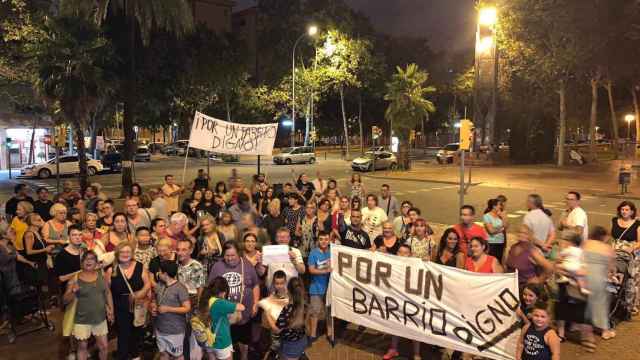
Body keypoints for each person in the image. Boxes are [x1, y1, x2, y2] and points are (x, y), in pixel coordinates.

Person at [207, 241, 260, 360]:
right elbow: (210, 288)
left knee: (243, 339)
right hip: (223, 315)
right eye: (227, 255)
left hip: (244, 312)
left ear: (239, 254)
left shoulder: (246, 265)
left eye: (233, 255)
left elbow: (255, 285)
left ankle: (244, 357)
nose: (230, 258)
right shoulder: (217, 266)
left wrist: (255, 303)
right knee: (225, 339)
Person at [63, 251, 114, 360]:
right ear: (82, 263)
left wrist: (111, 310)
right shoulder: (75, 279)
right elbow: (65, 300)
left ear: (96, 262)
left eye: (92, 259)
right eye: (86, 259)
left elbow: (107, 293)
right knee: (82, 347)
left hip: (100, 318)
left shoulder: (101, 275)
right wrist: (73, 292)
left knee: (104, 346)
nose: (89, 261)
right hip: (81, 320)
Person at [105, 242, 151, 360]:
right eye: (122, 252)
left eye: (128, 252)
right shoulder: (111, 270)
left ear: (132, 253)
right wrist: (110, 309)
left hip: (138, 304)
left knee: (137, 332)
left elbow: (147, 284)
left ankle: (135, 355)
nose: (125, 254)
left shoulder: (140, 266)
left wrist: (140, 293)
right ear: (117, 254)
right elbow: (107, 291)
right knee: (123, 334)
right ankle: (123, 356)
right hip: (120, 305)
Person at [384, 243, 422, 360]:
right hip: (396, 299)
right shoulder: (392, 264)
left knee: (415, 326)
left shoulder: (416, 267)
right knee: (396, 324)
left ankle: (416, 353)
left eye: (405, 253)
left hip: (411, 301)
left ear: (410, 255)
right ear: (396, 253)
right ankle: (393, 349)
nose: (402, 255)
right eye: (400, 252)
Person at [150, 260, 191, 360]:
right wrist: (153, 306)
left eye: (160, 271)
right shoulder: (159, 285)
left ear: (165, 274)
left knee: (178, 356)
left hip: (175, 331)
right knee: (163, 354)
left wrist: (168, 309)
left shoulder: (180, 288)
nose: (158, 273)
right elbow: (154, 299)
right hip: (160, 328)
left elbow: (187, 308)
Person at [583, 226, 616, 340]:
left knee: (583, 301)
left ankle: (580, 324)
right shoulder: (607, 248)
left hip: (583, 278)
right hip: (598, 280)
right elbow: (611, 268)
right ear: (603, 236)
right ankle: (605, 330)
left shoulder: (585, 243)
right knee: (601, 302)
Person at [265, 277, 307, 360]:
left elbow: (277, 330)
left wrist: (267, 313)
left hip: (290, 345)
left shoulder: (286, 309)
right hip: (302, 341)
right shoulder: (305, 304)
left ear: (288, 290)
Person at [206, 276, 246, 360]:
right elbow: (242, 307)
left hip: (208, 339)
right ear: (223, 291)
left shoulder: (207, 299)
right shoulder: (220, 303)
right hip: (221, 341)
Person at [307, 231, 332, 343]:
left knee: (330, 312)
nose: (323, 241)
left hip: (330, 288)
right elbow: (311, 270)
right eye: (321, 239)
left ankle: (330, 333)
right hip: (316, 287)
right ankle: (312, 335)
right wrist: (326, 270)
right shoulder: (313, 253)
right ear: (318, 240)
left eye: (326, 239)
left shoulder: (332, 253)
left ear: (329, 240)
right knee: (314, 312)